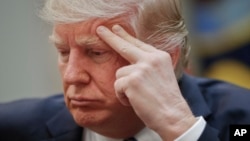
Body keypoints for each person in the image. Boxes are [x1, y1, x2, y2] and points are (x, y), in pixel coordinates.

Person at [0, 0, 250, 141]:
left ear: (166, 57)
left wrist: (182, 131)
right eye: (63, 52)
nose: (72, 75)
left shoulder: (242, 119)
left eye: (97, 53)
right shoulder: (14, 128)